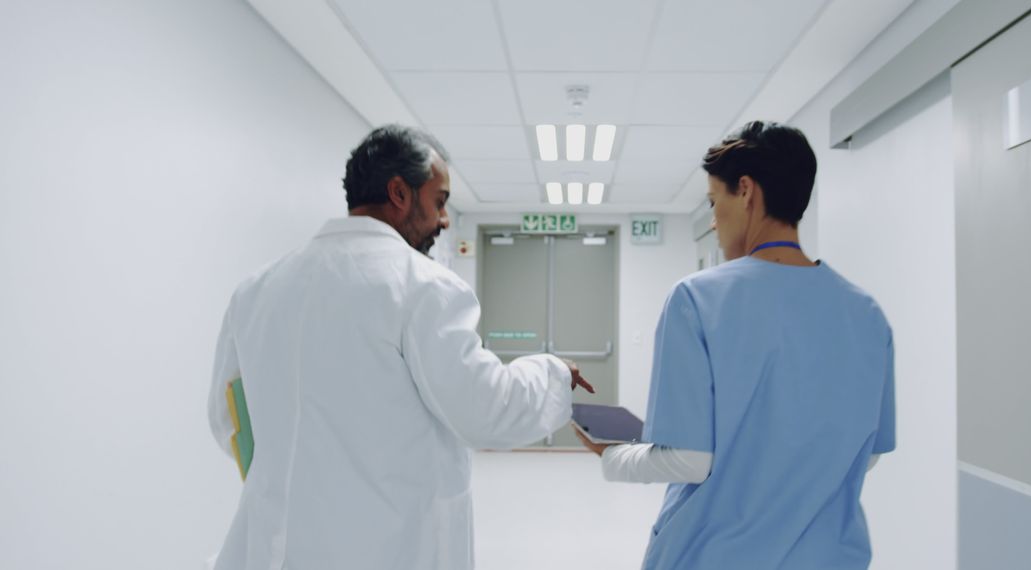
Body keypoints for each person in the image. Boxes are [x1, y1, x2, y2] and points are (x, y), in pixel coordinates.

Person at [208, 124, 593, 570]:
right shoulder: (423, 288)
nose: (445, 220)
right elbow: (486, 411)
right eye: (440, 202)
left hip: (272, 550)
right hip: (385, 549)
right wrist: (553, 373)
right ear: (399, 193)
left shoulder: (257, 291)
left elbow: (228, 421)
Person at [574, 121, 896, 569]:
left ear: (745, 191)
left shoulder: (696, 300)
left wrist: (613, 456)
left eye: (713, 201)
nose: (712, 220)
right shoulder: (867, 314)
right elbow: (869, 453)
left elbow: (689, 460)